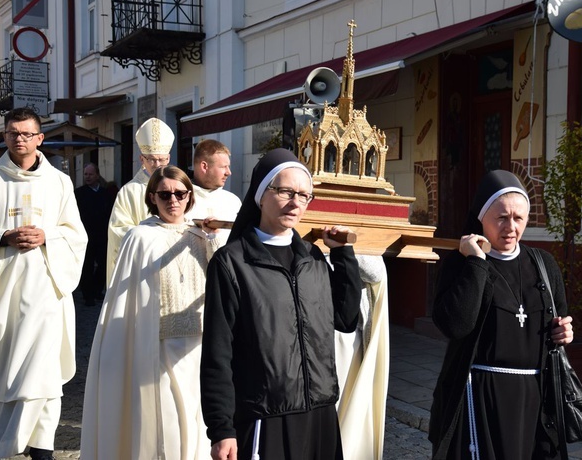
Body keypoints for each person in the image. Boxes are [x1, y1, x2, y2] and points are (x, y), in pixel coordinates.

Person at [200, 148, 362, 460]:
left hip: (320, 412)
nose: (295, 202)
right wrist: (221, 430)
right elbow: (217, 353)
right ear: (261, 195)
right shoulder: (232, 263)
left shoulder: (312, 259)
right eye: (286, 191)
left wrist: (343, 257)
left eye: (304, 195)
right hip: (266, 415)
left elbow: (345, 318)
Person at [429, 170, 574, 460]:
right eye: (501, 218)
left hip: (533, 398)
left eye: (518, 218)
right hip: (480, 396)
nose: (511, 227)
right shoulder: (461, 264)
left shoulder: (543, 265)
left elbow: (559, 321)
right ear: (482, 218)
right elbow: (455, 325)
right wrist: (476, 263)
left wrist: (564, 333)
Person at [81, 165, 221, 459]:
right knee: (165, 425)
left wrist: (213, 239)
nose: (173, 200)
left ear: (189, 196)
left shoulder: (202, 235)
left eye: (180, 193)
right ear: (152, 197)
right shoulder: (140, 237)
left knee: (198, 420)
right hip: (156, 345)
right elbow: (128, 297)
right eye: (165, 194)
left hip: (199, 346)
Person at [0, 107, 88, 460]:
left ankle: (42, 449)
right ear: (4, 136)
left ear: (40, 138)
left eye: (27, 133)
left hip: (46, 292)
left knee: (42, 371)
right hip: (0, 296)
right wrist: (1, 237)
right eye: (13, 133)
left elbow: (76, 235)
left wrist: (47, 236)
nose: (20, 139)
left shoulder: (58, 182)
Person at [334, 255, 390, 460]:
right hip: (309, 333)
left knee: (348, 411)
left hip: (346, 337)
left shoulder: (359, 238)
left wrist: (345, 248)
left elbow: (376, 272)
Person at [106, 117, 174, 283]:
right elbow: (118, 232)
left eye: (162, 159)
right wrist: (153, 238)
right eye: (151, 159)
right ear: (142, 159)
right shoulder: (130, 191)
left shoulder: (178, 188)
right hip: (142, 268)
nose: (157, 164)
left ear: (169, 158)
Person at [187, 139, 242, 242]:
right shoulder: (181, 200)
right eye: (223, 167)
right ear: (204, 166)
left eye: (228, 167)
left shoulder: (233, 201)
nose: (228, 172)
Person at [75, 162, 112, 306]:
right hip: (85, 235)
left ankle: (97, 290)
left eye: (90, 174)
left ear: (97, 175)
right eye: (85, 174)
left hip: (102, 235)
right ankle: (88, 295)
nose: (88, 177)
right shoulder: (79, 193)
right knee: (87, 266)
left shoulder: (105, 193)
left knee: (103, 265)